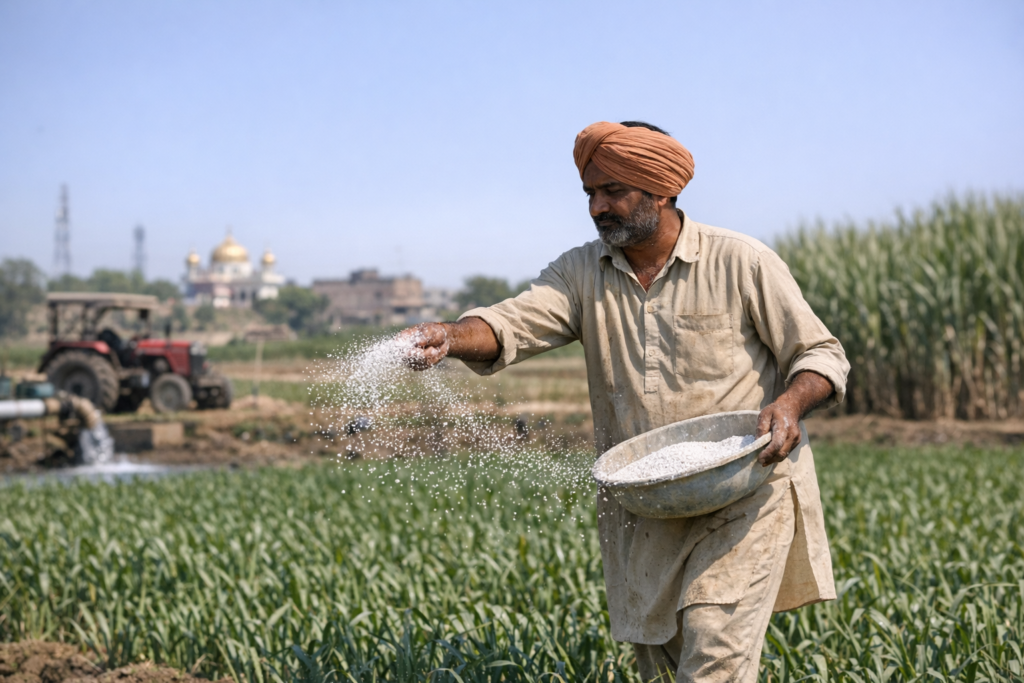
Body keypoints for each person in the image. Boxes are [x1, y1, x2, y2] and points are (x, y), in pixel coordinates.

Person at [399, 120, 850, 682]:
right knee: (662, 665)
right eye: (590, 193)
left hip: (744, 493)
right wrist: (449, 335)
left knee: (714, 656)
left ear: (662, 189)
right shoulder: (580, 273)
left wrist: (791, 404)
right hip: (647, 506)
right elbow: (511, 322)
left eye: (613, 191)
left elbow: (821, 354)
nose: (597, 207)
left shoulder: (741, 261)